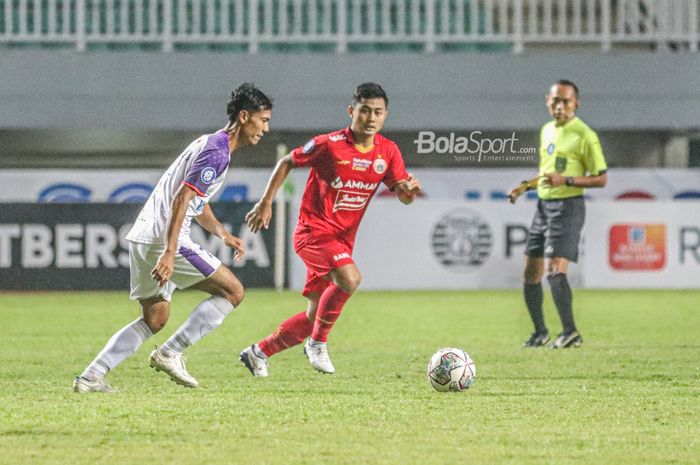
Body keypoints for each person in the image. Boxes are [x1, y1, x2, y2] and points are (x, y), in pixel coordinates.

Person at [73, 83, 272, 392]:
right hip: (163, 239)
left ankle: (91, 376)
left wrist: (222, 233)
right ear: (245, 117)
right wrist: (169, 251)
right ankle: (170, 352)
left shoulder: (209, 143)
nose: (266, 128)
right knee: (233, 291)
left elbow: (195, 202)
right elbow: (182, 199)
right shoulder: (217, 152)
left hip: (143, 236)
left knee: (154, 317)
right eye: (264, 119)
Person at [239, 82, 421, 376]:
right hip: (312, 233)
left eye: (378, 112)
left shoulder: (388, 151)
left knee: (314, 316)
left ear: (385, 115)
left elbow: (403, 195)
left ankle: (258, 352)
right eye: (364, 111)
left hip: (341, 241)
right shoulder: (329, 143)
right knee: (350, 279)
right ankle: (317, 344)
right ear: (352, 111)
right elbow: (287, 162)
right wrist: (266, 202)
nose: (371, 118)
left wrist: (409, 191)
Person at [508, 79, 607, 349]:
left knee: (554, 271)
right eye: (555, 101)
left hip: (568, 207)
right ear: (547, 101)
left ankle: (570, 331)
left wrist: (568, 181)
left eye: (565, 101)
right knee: (531, 273)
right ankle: (540, 332)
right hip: (543, 206)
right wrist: (524, 187)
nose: (559, 106)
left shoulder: (585, 135)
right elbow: (548, 173)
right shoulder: (547, 130)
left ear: (576, 103)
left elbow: (601, 179)